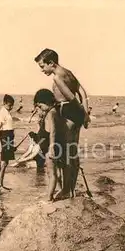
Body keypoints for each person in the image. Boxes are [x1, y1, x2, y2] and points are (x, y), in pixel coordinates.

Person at [35, 48, 90, 198]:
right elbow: (82, 92)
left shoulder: (57, 78)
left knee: (67, 154)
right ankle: (70, 188)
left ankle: (66, 189)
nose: (42, 70)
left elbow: (72, 98)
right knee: (73, 153)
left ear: (51, 63)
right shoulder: (68, 72)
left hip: (68, 114)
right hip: (76, 116)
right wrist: (85, 114)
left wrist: (83, 114)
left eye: (42, 66)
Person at [33, 89, 64, 200]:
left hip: (50, 148)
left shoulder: (51, 113)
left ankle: (49, 197)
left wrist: (51, 147)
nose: (40, 109)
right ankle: (61, 190)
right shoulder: (54, 111)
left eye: (40, 106)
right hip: (53, 146)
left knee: (51, 173)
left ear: (46, 102)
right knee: (56, 172)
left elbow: (53, 131)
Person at [0, 94, 15, 190]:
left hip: (9, 137)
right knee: (3, 163)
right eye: (9, 105)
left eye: (12, 105)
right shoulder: (2, 113)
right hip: (5, 137)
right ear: (4, 103)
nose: (11, 107)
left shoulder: (7, 112)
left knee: (5, 162)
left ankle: (0, 184)